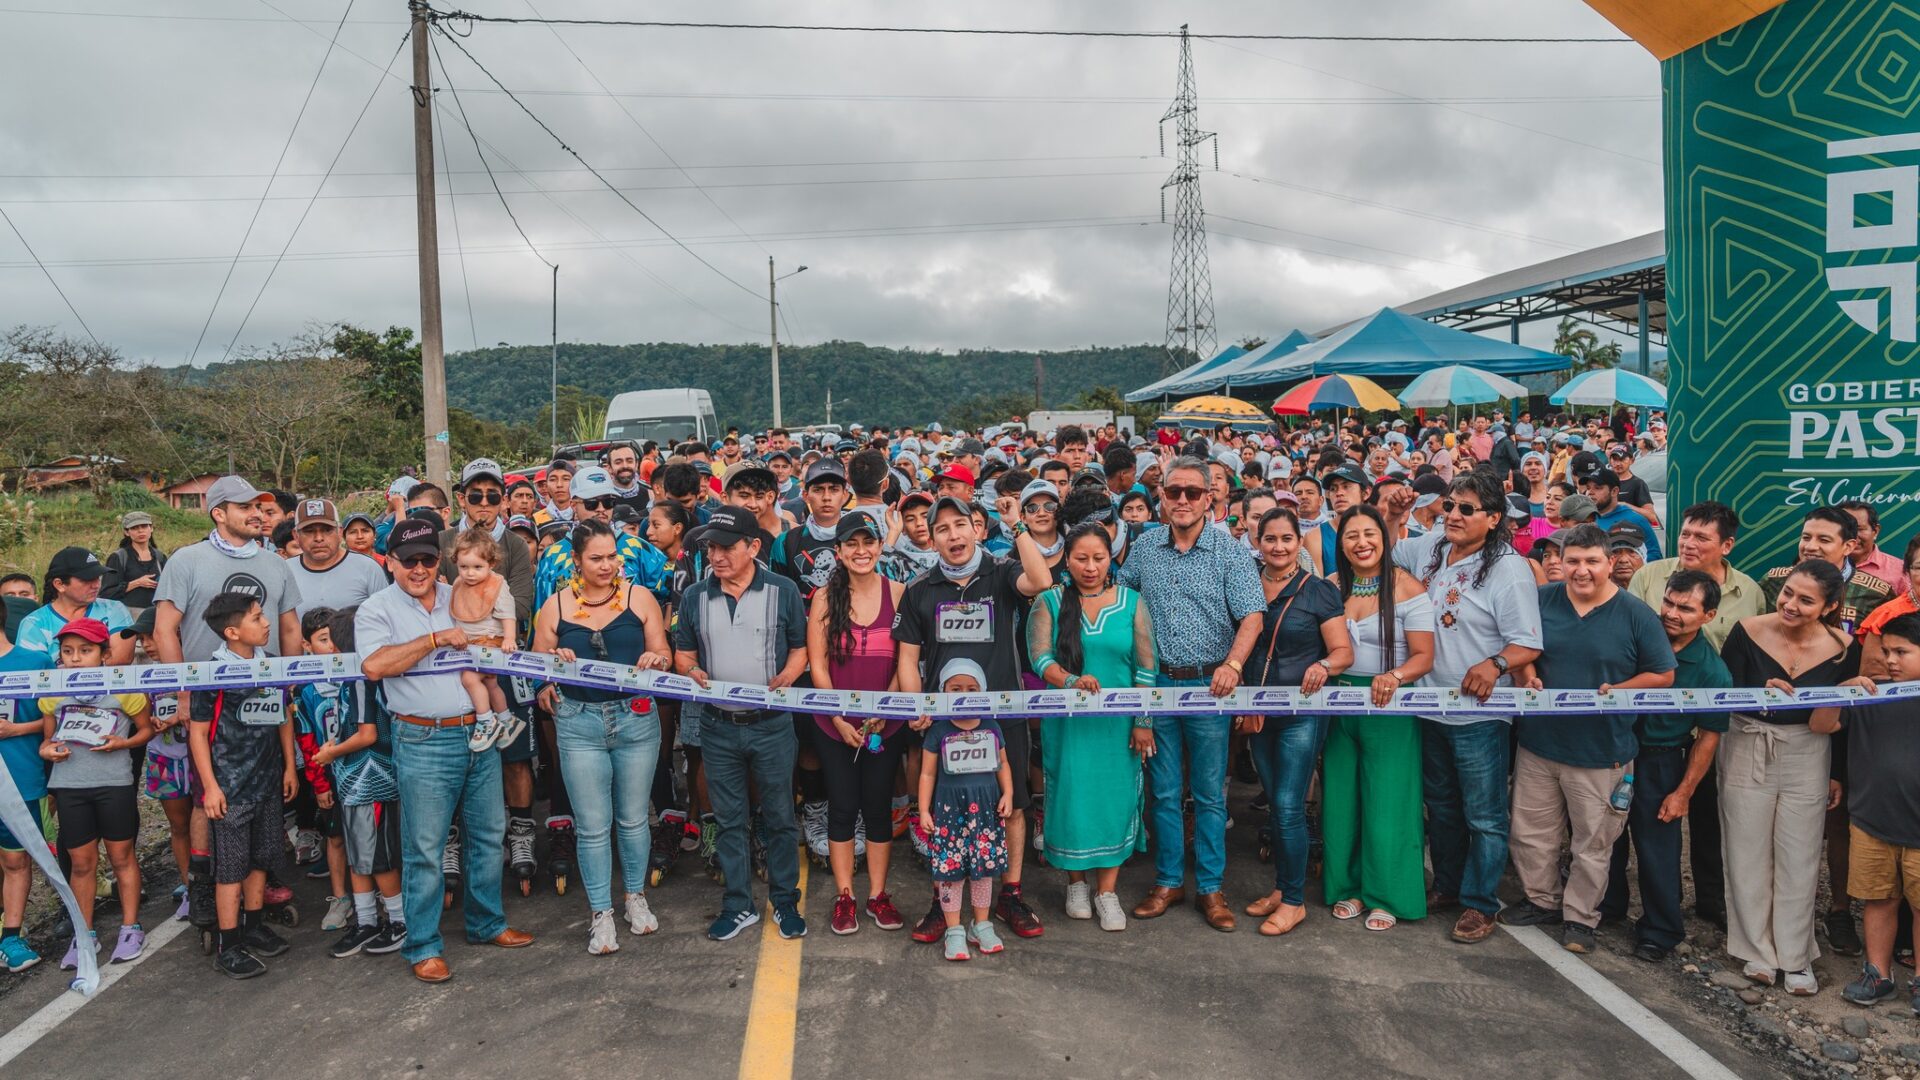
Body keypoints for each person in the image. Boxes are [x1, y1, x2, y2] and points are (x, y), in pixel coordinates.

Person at [357, 517, 534, 984]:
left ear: (440, 560)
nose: (419, 568)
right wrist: (433, 639)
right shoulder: (377, 609)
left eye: (427, 559)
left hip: (479, 732)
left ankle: (487, 924)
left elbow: (499, 625)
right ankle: (423, 945)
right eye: (408, 560)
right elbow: (374, 666)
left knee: (489, 834)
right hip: (423, 738)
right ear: (390, 562)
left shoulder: (460, 590)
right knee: (426, 849)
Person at [1500, 525, 1675, 955]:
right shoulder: (1542, 601)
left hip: (1602, 752)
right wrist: (1525, 676)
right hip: (1540, 744)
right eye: (1573, 561)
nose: (1581, 571)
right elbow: (1520, 650)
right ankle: (1542, 900)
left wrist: (1623, 688)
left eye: (1591, 562)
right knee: (1531, 834)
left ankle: (1581, 918)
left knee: (1593, 842)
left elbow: (1664, 674)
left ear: (1610, 564)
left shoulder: (1636, 614)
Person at [894, 495, 1053, 941]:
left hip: (1003, 716)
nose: (953, 535)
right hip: (944, 723)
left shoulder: (1001, 572)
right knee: (946, 813)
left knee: (1012, 804)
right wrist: (917, 706)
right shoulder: (920, 588)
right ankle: (940, 903)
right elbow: (908, 658)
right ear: (932, 539)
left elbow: (1040, 580)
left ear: (977, 530)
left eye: (960, 525)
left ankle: (1010, 894)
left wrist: (1016, 525)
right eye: (941, 529)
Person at [1394, 470, 1543, 944]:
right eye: (1450, 505)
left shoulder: (1508, 569)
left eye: (1466, 509)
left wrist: (1496, 663)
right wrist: (1395, 512)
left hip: (1478, 714)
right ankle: (1450, 886)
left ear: (1493, 518)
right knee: (1441, 807)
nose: (1452, 515)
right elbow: (1378, 548)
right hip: (1427, 704)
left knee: (1483, 813)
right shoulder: (1432, 546)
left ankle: (1481, 903)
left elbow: (1528, 643)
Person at [1118, 457, 1265, 932]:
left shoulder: (1229, 550)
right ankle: (1166, 881)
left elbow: (1252, 616)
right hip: (1157, 685)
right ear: (1161, 495)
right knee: (1161, 791)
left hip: (1209, 686)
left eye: (1192, 493)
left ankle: (1210, 888)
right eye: (1173, 491)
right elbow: (1122, 603)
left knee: (1209, 794)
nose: (1182, 500)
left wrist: (1234, 665)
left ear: (1210, 498)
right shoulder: (1143, 549)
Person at [530, 520, 674, 955]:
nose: (607, 565)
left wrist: (656, 657)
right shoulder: (554, 607)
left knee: (633, 818)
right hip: (578, 721)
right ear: (576, 560)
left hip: (635, 718)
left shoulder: (640, 597)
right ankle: (601, 914)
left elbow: (665, 655)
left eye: (613, 556)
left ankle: (634, 898)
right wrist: (549, 671)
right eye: (596, 558)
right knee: (592, 826)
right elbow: (536, 664)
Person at [1719, 560, 1860, 995]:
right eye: (1788, 593)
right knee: (1746, 849)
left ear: (1829, 606)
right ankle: (1757, 950)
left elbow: (1839, 717)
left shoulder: (1843, 647)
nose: (1791, 604)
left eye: (1806, 599)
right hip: (1747, 742)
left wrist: (1837, 774)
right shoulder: (1746, 630)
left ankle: (1797, 956)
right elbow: (1723, 690)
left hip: (1809, 751)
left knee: (1800, 856)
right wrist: (1758, 690)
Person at [671, 506, 810, 943]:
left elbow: (800, 648)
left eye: (726, 547)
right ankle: (737, 905)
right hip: (718, 726)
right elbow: (684, 654)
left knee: (780, 817)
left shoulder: (783, 590)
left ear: (753, 547)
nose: (716, 556)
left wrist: (789, 676)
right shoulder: (695, 595)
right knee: (729, 819)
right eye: (711, 547)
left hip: (771, 724)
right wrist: (690, 671)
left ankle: (785, 902)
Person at [1597, 568, 1733, 961]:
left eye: (1686, 609)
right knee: (1605, 836)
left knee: (1658, 849)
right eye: (1669, 602)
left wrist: (1683, 792)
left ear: (1708, 616)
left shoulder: (1712, 672)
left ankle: (1660, 930)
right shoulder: (1638, 635)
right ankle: (1608, 906)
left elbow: (1709, 736)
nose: (1672, 613)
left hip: (1662, 762)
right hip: (1615, 751)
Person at [1027, 523, 1154, 932]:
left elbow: (1147, 667)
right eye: (1081, 558)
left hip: (1119, 728)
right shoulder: (1049, 601)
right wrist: (1069, 681)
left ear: (1110, 559)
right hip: (1068, 727)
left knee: (1114, 801)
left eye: (1098, 558)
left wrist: (1143, 720)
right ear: (1067, 559)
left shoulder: (1132, 602)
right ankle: (1076, 884)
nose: (1090, 566)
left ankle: (1107, 892)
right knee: (1071, 798)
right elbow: (1040, 657)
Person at [1243, 506, 1353, 937]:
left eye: (1287, 539)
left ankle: (1293, 902)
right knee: (1275, 802)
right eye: (1270, 539)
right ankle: (1282, 888)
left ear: (1299, 542)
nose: (1278, 547)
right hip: (1256, 712)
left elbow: (1344, 652)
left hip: (1301, 714)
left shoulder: (1318, 591)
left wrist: (1325, 666)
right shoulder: (1247, 582)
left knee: (1289, 806)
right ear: (1258, 542)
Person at [1324, 504, 1434, 932]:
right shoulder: (1331, 587)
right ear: (1342, 544)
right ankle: (1347, 887)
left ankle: (1388, 893)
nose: (1362, 543)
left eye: (1370, 534)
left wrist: (1395, 674)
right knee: (1341, 800)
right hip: (1338, 704)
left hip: (1390, 704)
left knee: (1389, 802)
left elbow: (1424, 657)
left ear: (1384, 539)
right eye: (1352, 536)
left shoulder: (1407, 587)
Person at [805, 513, 908, 936]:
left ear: (881, 547)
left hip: (886, 725)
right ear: (839, 552)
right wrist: (836, 716)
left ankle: (878, 895)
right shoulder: (824, 599)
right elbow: (817, 664)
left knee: (878, 809)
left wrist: (887, 710)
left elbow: (908, 661)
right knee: (842, 807)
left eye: (869, 542)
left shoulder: (899, 593)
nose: (861, 551)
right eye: (852, 544)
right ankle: (845, 895)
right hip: (835, 726)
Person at [188, 594, 295, 979]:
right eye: (257, 618)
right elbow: (198, 735)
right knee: (231, 867)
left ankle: (253, 924)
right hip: (230, 787)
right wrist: (211, 788)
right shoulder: (212, 673)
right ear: (232, 632)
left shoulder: (270, 665)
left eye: (263, 615)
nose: (266, 623)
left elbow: (282, 715)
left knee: (261, 857)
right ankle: (228, 943)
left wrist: (289, 768)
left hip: (268, 781)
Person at [38, 617, 153, 969]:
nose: (75, 658)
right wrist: (47, 750)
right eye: (68, 651)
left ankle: (130, 928)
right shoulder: (53, 688)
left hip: (113, 784)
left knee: (122, 858)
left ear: (104, 655)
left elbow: (146, 730)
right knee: (82, 864)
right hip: (70, 786)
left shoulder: (123, 686)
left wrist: (124, 742)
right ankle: (83, 933)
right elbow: (47, 739)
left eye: (85, 651)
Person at [1836, 614, 1920, 1007]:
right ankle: (1878, 974)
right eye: (1886, 651)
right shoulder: (1870, 693)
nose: (1890, 660)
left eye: (1902, 652)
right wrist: (1841, 692)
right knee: (1878, 899)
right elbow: (1822, 725)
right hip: (1871, 820)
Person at [919, 658, 1013, 962]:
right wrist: (923, 810)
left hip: (984, 812)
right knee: (952, 872)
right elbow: (927, 774)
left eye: (972, 688)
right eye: (955, 688)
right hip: (949, 813)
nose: (964, 693)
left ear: (983, 692)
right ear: (943, 691)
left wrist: (1008, 793)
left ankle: (981, 924)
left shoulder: (992, 726)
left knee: (983, 871)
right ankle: (954, 929)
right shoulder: (938, 730)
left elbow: (1004, 763)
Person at [1628, 502, 1762, 649]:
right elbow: (1629, 634)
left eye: (1701, 538)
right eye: (1685, 534)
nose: (1688, 544)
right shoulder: (1648, 576)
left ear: (1727, 545)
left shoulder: (1750, 592)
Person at [0, 616, 51, 973]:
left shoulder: (35, 663)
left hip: (19, 781)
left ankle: (12, 937)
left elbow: (57, 718)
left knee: (15, 861)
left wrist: (17, 729)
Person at [1760, 507, 1896, 634]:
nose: (1810, 546)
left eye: (1824, 540)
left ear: (1849, 546)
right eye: (1806, 538)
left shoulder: (1877, 593)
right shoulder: (1773, 580)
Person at [15, 547, 134, 664]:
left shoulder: (113, 609)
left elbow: (121, 658)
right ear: (60, 584)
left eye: (97, 578)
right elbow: (34, 670)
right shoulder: (34, 623)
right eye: (87, 580)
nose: (96, 585)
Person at [774, 458, 849, 602]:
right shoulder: (785, 542)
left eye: (834, 489)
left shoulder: (860, 539)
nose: (826, 497)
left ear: (845, 495)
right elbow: (779, 598)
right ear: (805, 495)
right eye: (818, 489)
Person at [1577, 466, 1663, 561]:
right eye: (1588, 488)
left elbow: (1654, 554)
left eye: (1598, 488)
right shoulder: (1587, 519)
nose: (1590, 492)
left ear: (1614, 491)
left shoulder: (1635, 519)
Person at [100, 511, 166, 615]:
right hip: (128, 616)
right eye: (135, 528)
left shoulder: (160, 557)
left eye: (144, 526)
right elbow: (106, 593)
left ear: (151, 528)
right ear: (127, 532)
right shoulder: (118, 557)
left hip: (157, 614)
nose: (140, 531)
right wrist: (137, 583)